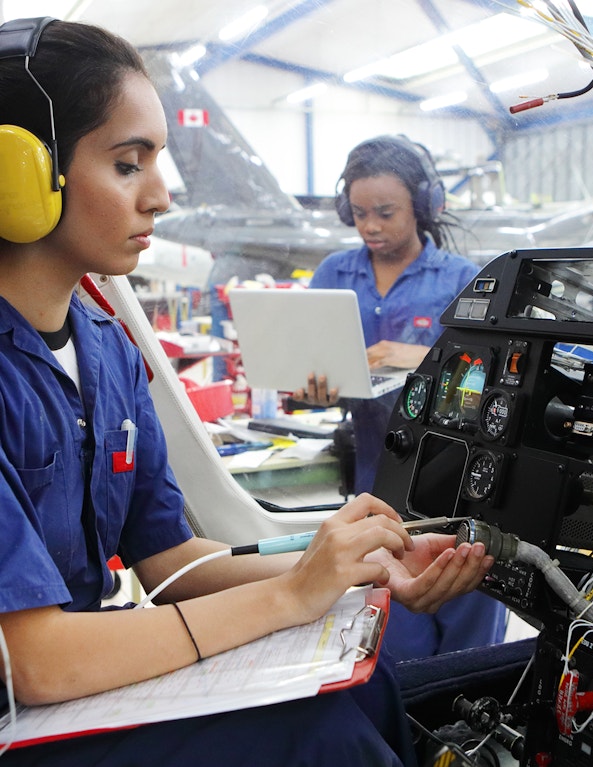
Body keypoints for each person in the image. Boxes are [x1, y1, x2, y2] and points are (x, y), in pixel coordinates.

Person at [0, 18, 496, 766]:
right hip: (20, 710)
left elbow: (167, 557)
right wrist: (289, 596)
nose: (161, 198)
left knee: (367, 690)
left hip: (66, 687)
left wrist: (351, 572)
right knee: (326, 741)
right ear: (20, 176)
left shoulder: (108, 353)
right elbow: (35, 660)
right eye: (129, 164)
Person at [293, 135, 508, 662]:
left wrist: (419, 355)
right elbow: (310, 370)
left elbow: (501, 378)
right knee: (389, 645)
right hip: (377, 492)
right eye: (360, 213)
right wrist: (313, 390)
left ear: (425, 206)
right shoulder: (333, 275)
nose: (370, 226)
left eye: (385, 213)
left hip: (460, 489)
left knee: (466, 646)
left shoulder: (464, 280)